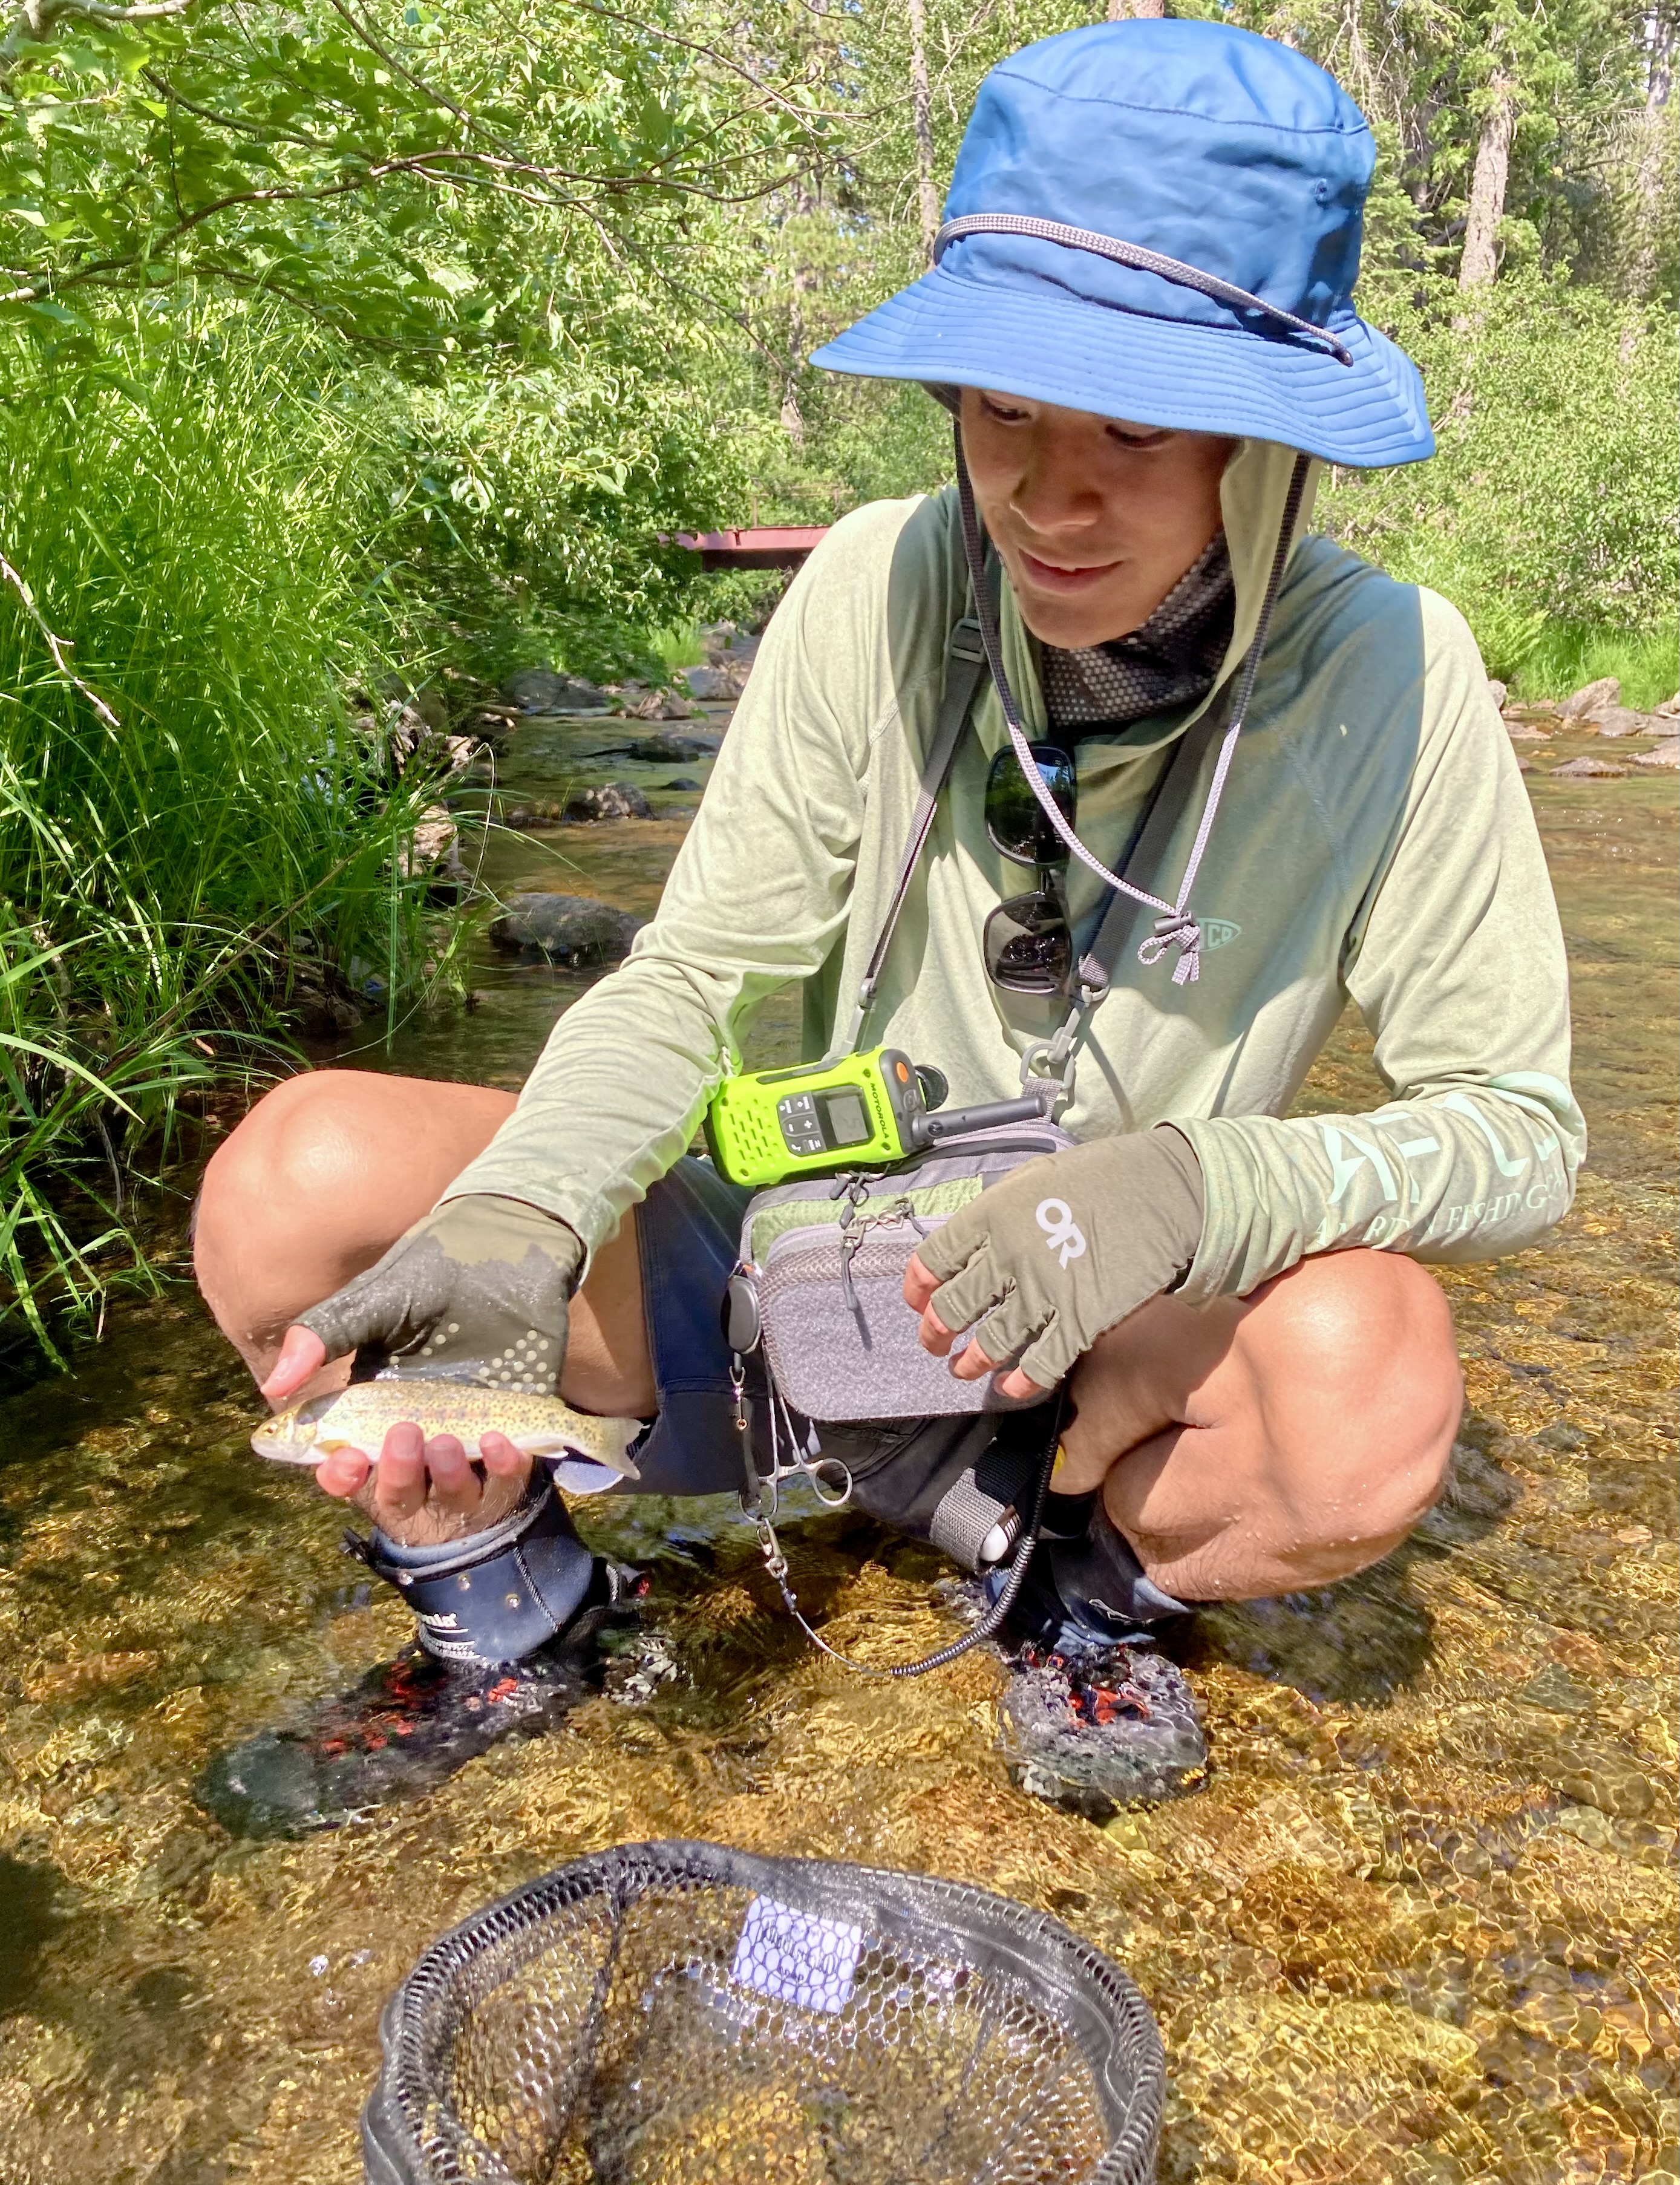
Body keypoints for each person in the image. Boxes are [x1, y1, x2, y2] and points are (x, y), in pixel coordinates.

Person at [194, 19, 1581, 1829]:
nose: (1046, 491)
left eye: (1135, 425)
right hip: (784, 1287)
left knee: (1370, 1374)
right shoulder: (877, 582)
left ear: (1264, 443)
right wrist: (526, 1208)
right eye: (1001, 402)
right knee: (297, 1182)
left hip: (1093, 1348)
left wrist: (1198, 1188)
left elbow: (1519, 1132)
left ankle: (1087, 1591)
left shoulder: (1394, 675)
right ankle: (509, 1597)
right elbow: (689, 976)